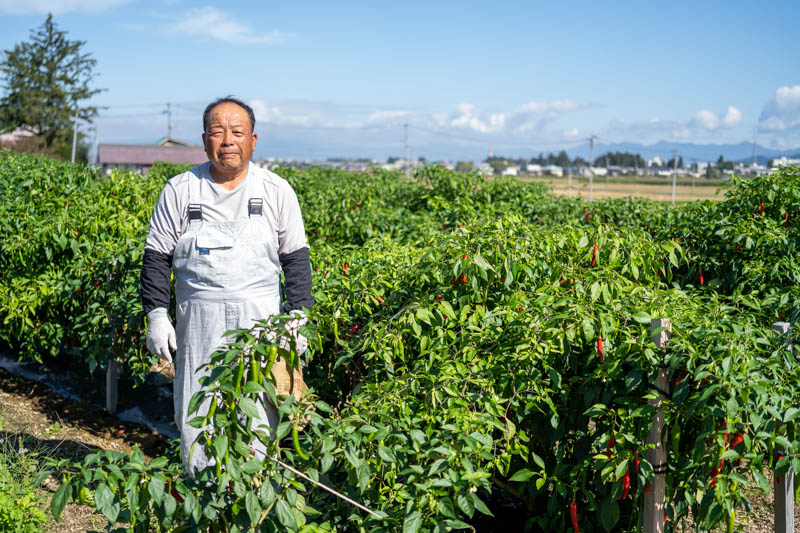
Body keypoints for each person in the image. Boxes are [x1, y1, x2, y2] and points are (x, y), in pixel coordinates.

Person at [140, 96, 313, 474]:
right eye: (218, 132)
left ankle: (252, 501)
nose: (228, 140)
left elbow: (296, 259)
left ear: (253, 139)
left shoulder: (275, 190)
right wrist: (156, 314)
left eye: (237, 132)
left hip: (261, 324)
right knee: (198, 412)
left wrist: (299, 314)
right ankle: (203, 504)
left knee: (258, 415)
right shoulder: (181, 190)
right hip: (199, 323)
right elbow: (156, 258)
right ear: (204, 140)